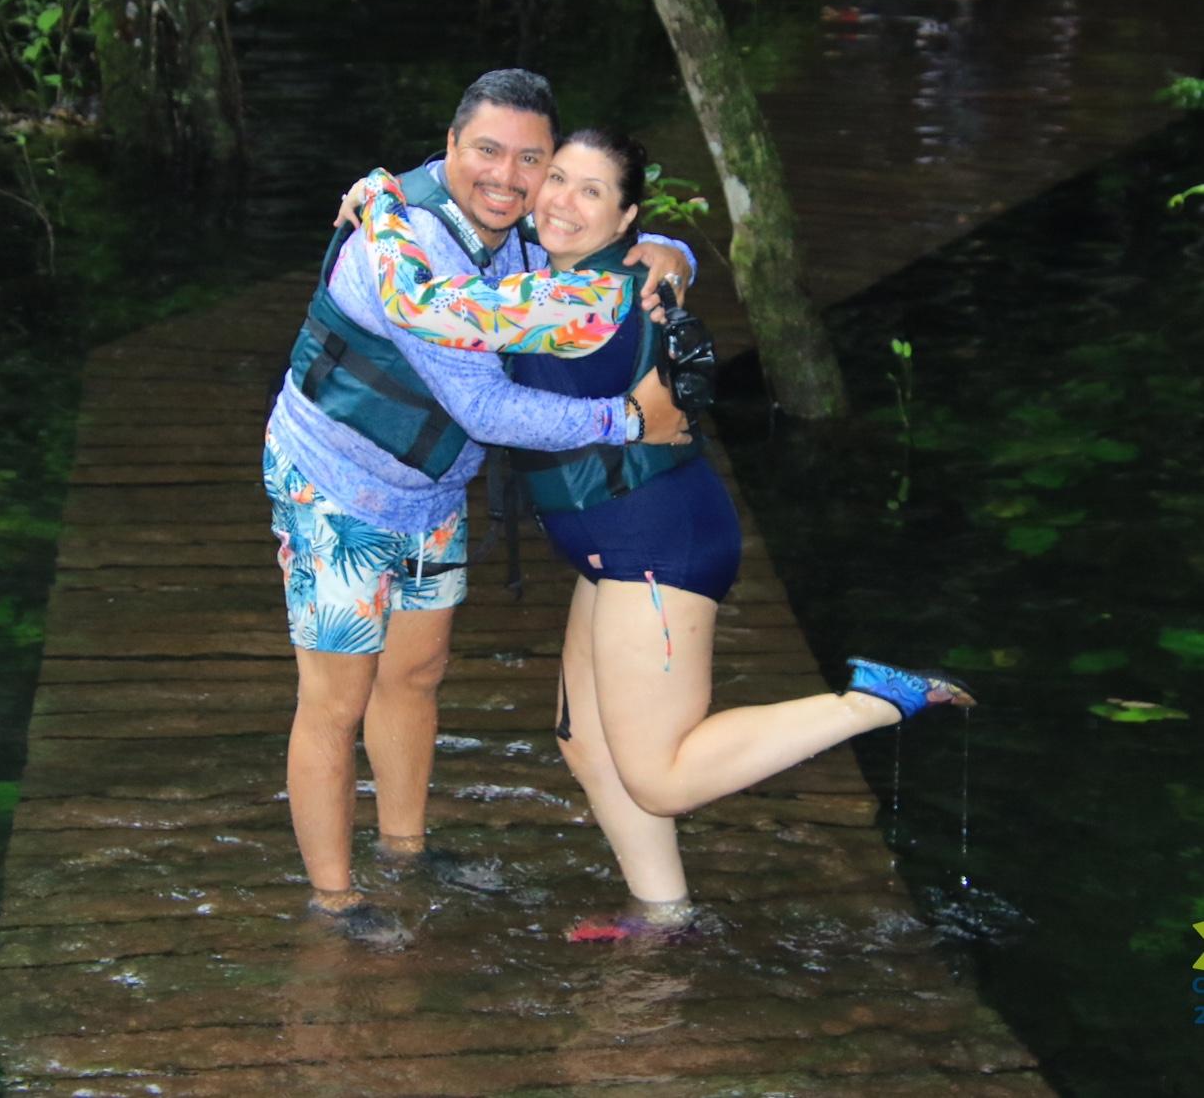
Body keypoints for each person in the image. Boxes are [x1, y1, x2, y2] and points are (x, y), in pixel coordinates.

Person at [353, 130, 977, 937]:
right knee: (586, 746)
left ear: (624, 218)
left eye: (591, 192)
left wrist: (379, 203)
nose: (561, 202)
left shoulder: (588, 300)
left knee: (662, 778)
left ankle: (872, 702)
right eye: (559, 180)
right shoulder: (565, 274)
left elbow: (431, 309)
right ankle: (664, 911)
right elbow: (598, 268)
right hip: (615, 548)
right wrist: (672, 250)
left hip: (657, 543)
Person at [263, 69, 696, 944]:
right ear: (449, 146)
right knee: (335, 702)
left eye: (531, 160)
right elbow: (487, 410)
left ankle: (406, 848)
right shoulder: (401, 248)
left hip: (430, 491)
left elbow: (607, 259)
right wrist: (629, 420)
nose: (507, 176)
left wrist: (670, 254)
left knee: (416, 675)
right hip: (333, 485)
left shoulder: (526, 237)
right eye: (487, 151)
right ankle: (336, 900)